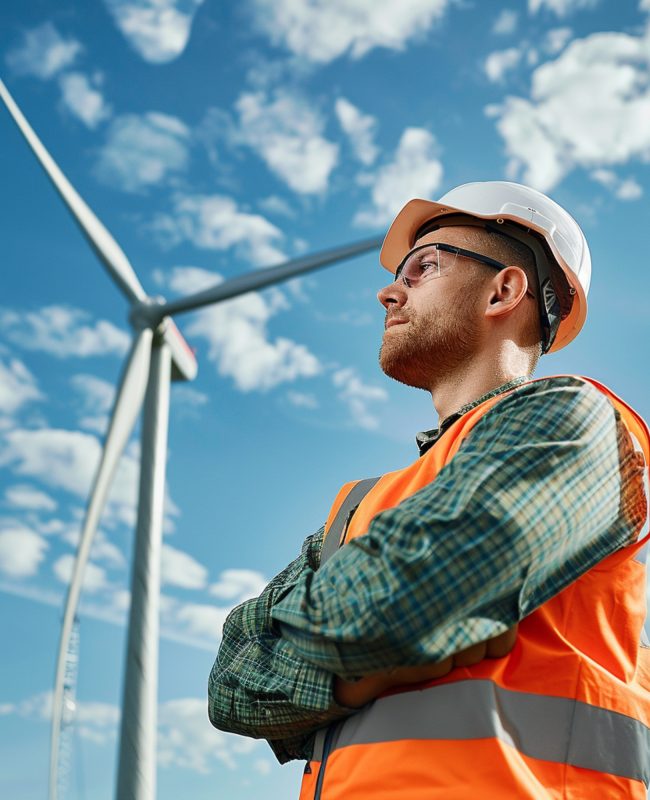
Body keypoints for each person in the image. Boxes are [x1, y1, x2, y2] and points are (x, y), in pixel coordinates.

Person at [208, 181, 650, 798]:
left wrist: (331, 653)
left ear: (504, 290)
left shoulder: (577, 423)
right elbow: (229, 684)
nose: (389, 290)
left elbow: (402, 603)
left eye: (424, 267)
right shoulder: (360, 503)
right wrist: (381, 645)